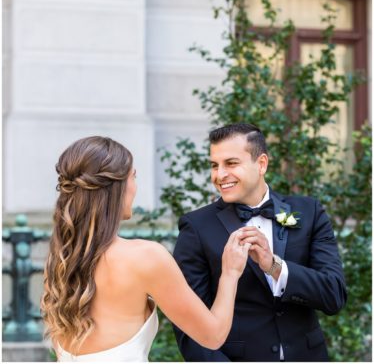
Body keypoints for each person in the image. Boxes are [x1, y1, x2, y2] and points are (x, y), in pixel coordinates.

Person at [41, 135, 251, 361]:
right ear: (118, 186)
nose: (135, 187)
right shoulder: (146, 257)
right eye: (134, 176)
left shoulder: (59, 261)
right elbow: (213, 336)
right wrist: (230, 273)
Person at [174, 122, 347, 363]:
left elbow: (333, 295)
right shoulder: (196, 227)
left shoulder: (309, 212)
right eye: (215, 165)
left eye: (231, 163)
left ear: (262, 164)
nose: (220, 175)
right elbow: (189, 325)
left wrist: (274, 266)